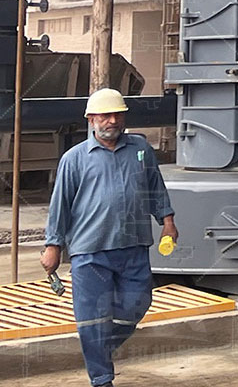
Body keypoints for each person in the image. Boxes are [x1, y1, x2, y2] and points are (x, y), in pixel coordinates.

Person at [40, 88, 178, 387]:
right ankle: (101, 378)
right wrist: (53, 246)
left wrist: (167, 221)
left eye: (117, 114)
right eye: (105, 115)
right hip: (90, 251)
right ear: (91, 119)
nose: (112, 121)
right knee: (92, 319)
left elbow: (155, 189)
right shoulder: (74, 159)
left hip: (134, 245)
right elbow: (60, 205)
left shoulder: (140, 150)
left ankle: (99, 350)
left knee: (136, 306)